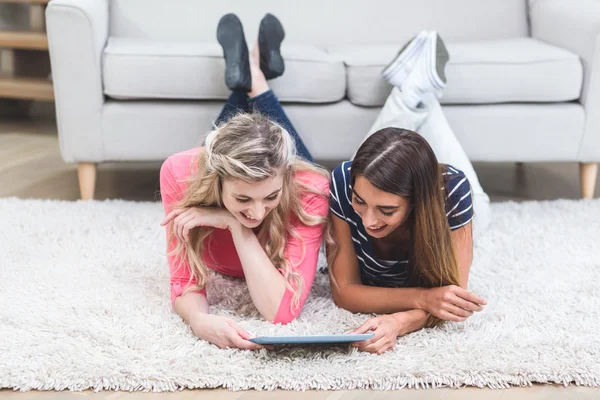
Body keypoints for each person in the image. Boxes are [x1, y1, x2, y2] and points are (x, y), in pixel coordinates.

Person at [159, 13, 329, 350]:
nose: (257, 212)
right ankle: (254, 80)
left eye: (270, 197)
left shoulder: (307, 186)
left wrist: (235, 225)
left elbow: (281, 313)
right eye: (242, 200)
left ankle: (249, 80)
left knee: (281, 151)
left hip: (290, 175)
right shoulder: (180, 173)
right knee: (236, 140)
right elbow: (183, 278)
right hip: (218, 166)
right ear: (218, 182)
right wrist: (198, 319)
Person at [328, 31, 491, 354]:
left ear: (416, 203)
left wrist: (399, 322)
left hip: (457, 204)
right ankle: (416, 86)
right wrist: (423, 297)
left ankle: (416, 88)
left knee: (480, 207)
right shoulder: (345, 181)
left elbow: (452, 299)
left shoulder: (451, 191)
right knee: (381, 159)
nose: (368, 220)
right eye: (360, 202)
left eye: (386, 210)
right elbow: (344, 292)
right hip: (395, 179)